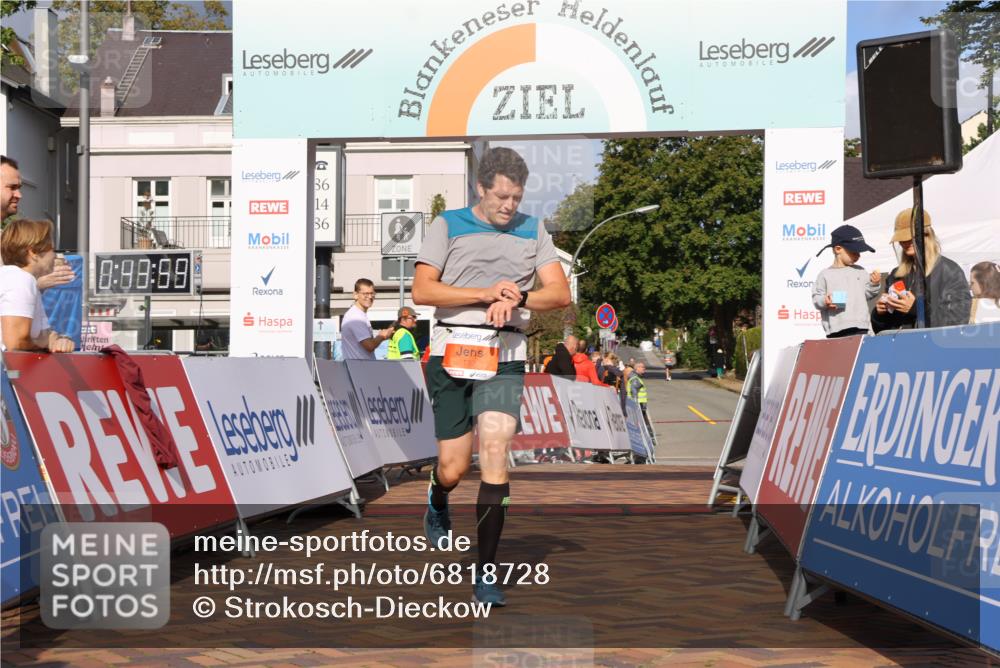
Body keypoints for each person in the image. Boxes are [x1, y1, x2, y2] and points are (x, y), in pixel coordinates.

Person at [412, 147, 570, 606]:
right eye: (501, 196)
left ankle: (486, 573)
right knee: (454, 468)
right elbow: (423, 290)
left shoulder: (532, 228)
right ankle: (438, 499)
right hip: (452, 350)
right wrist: (484, 294)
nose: (508, 206)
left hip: (505, 354)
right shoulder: (448, 224)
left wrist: (518, 298)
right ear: (480, 189)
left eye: (516, 197)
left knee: (497, 451)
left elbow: (558, 294)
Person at [871, 209, 971, 333]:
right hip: (901, 348)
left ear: (927, 235)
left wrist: (917, 309)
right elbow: (884, 331)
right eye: (901, 239)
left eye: (910, 237)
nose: (905, 243)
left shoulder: (950, 271)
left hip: (933, 349)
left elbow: (957, 322)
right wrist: (880, 314)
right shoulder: (896, 274)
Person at [1, 156, 74, 290]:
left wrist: (42, 268)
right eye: (12, 187)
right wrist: (36, 284)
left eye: (19, 188)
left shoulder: (5, 237)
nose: (19, 195)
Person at [0, 219, 74, 352]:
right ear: (33, 252)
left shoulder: (20, 279)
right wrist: (45, 345)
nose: (55, 256)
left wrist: (59, 340)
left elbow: (43, 334)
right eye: (52, 249)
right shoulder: (20, 279)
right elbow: (15, 342)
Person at [812, 225, 881, 338]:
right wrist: (825, 301)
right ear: (838, 249)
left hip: (861, 327)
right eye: (854, 251)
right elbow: (816, 298)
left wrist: (874, 283)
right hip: (836, 329)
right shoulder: (825, 274)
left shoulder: (860, 271)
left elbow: (868, 294)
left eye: (859, 252)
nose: (858, 255)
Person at [340, 278, 394, 360]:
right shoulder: (356, 317)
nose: (369, 297)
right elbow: (369, 346)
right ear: (355, 295)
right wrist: (382, 336)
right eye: (365, 294)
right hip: (359, 369)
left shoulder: (358, 314)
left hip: (360, 368)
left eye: (372, 293)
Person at [627, 361, 654, 443]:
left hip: (639, 404)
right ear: (637, 368)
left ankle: (646, 437)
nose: (644, 369)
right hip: (639, 404)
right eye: (642, 367)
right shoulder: (635, 378)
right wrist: (635, 404)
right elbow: (634, 390)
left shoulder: (635, 377)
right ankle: (648, 438)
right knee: (642, 422)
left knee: (641, 421)